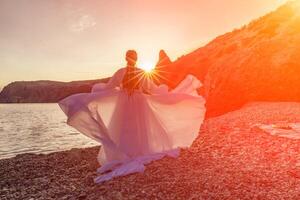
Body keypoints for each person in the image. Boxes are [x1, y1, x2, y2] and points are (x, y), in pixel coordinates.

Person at [59, 50, 206, 183]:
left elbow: (109, 87)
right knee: (141, 127)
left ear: (126, 58)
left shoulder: (121, 72)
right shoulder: (141, 73)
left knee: (123, 128)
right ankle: (141, 151)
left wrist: (98, 89)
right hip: (139, 102)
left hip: (124, 102)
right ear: (136, 59)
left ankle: (125, 154)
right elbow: (151, 89)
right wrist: (164, 91)